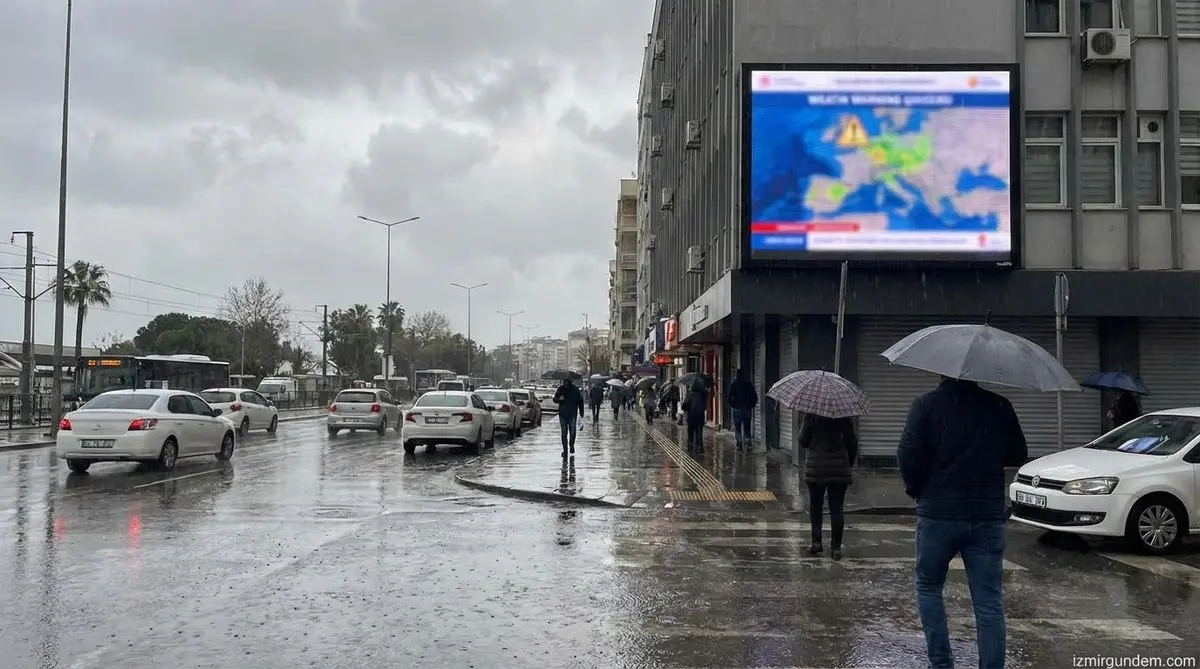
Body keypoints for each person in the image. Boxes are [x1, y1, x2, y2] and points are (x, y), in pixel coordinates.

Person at [898, 377, 1028, 669]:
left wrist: (916, 490)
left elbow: (907, 454)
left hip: (938, 514)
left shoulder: (925, 405)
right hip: (986, 515)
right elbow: (1018, 453)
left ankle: (942, 663)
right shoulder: (999, 405)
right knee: (988, 603)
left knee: (929, 587)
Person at [798, 414, 858, 561]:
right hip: (839, 469)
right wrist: (847, 463)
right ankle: (836, 548)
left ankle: (816, 541)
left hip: (816, 468)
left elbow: (802, 441)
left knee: (816, 506)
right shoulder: (845, 418)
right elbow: (853, 443)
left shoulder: (811, 416)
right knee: (836, 508)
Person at [552, 378, 585, 457]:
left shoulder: (575, 390)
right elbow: (555, 399)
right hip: (562, 414)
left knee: (572, 431)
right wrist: (559, 400)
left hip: (572, 414)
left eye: (565, 381)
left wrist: (581, 413)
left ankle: (571, 444)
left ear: (569, 382)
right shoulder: (561, 389)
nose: (564, 383)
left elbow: (580, 401)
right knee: (564, 432)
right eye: (563, 381)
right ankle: (565, 450)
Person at [727, 369, 758, 452]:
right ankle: (748, 444)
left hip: (737, 409)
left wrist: (733, 405)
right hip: (747, 409)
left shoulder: (734, 385)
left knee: (737, 428)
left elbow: (729, 398)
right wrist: (752, 405)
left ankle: (739, 444)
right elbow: (754, 397)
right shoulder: (749, 385)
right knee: (747, 428)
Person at [681, 380, 708, 453]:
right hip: (700, 416)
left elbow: (684, 406)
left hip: (692, 416)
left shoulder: (690, 394)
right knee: (699, 432)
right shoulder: (704, 394)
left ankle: (690, 447)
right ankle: (700, 447)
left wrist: (686, 407)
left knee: (691, 432)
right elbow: (705, 407)